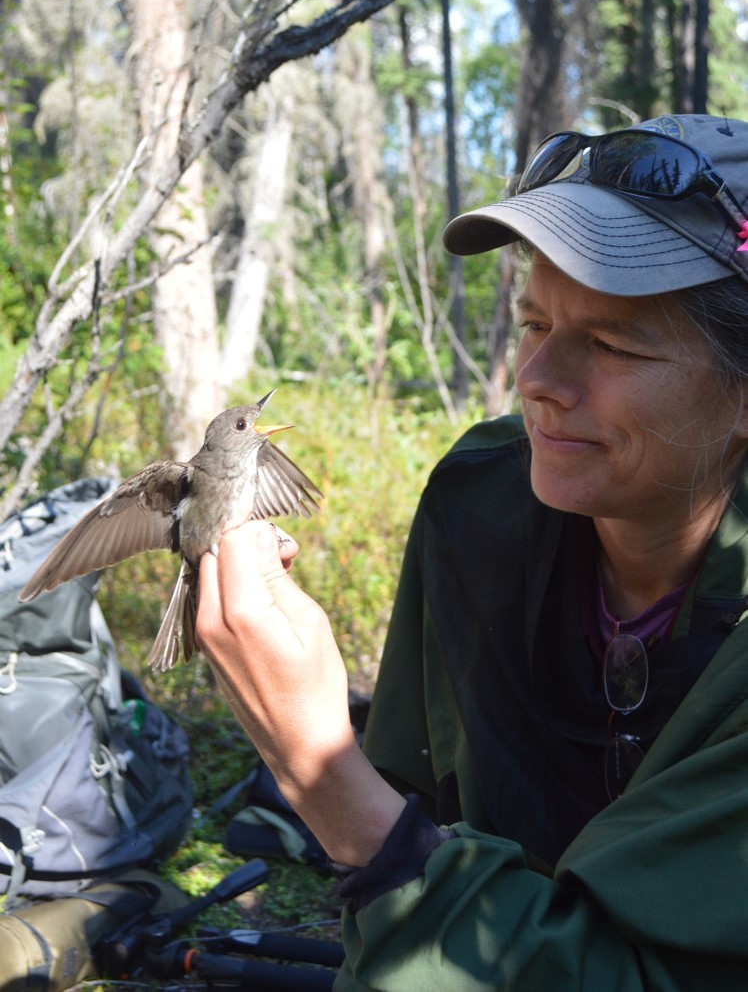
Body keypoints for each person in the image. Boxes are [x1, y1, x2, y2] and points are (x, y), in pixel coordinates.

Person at [195, 112, 748, 989]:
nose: (536, 379)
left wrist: (324, 776)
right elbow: (417, 793)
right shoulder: (483, 502)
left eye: (608, 343)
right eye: (534, 325)